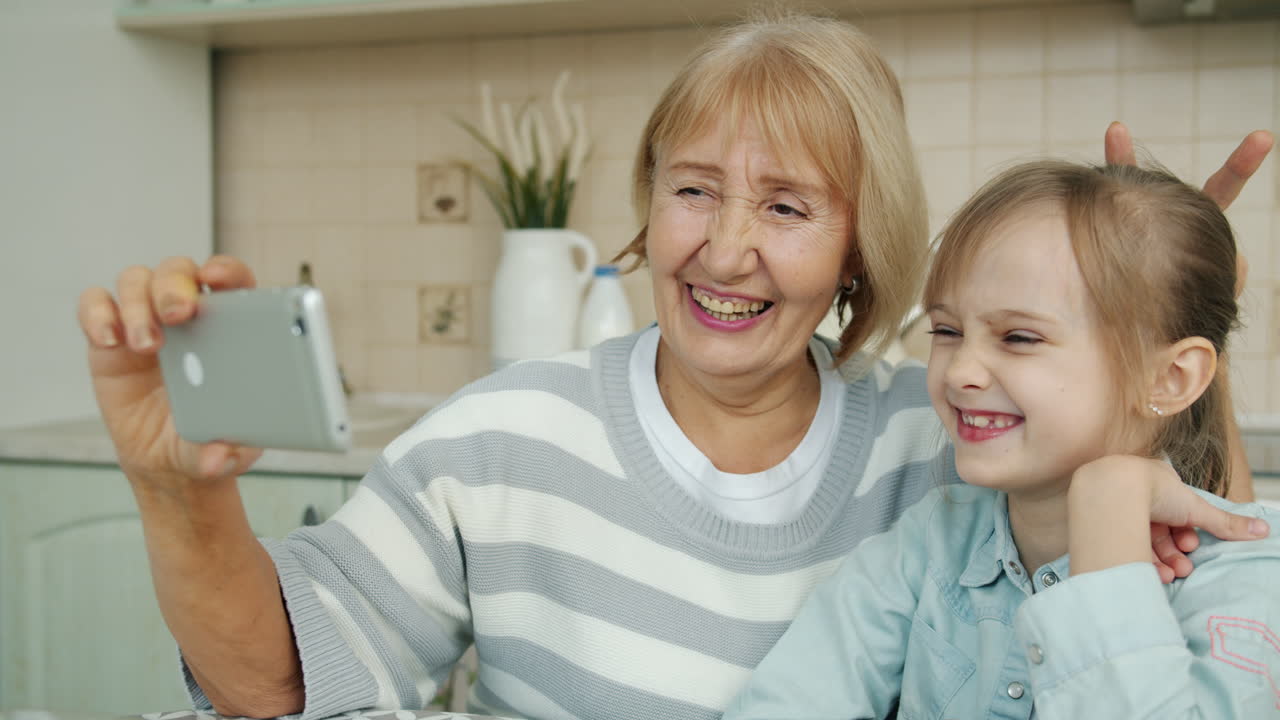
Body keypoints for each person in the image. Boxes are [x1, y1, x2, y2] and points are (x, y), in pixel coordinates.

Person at [76, 11, 1270, 720]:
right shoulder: (502, 438)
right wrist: (178, 493)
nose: (725, 246)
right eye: (692, 189)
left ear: (859, 249)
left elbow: (1163, 540)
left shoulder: (951, 438)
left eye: (786, 206)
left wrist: (1142, 307)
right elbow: (277, 687)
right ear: (649, 207)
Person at [722, 160, 1280, 719]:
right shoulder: (930, 541)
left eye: (1019, 337)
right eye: (947, 330)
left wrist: (1109, 514)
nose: (961, 370)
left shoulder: (1247, 576)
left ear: (1170, 378)